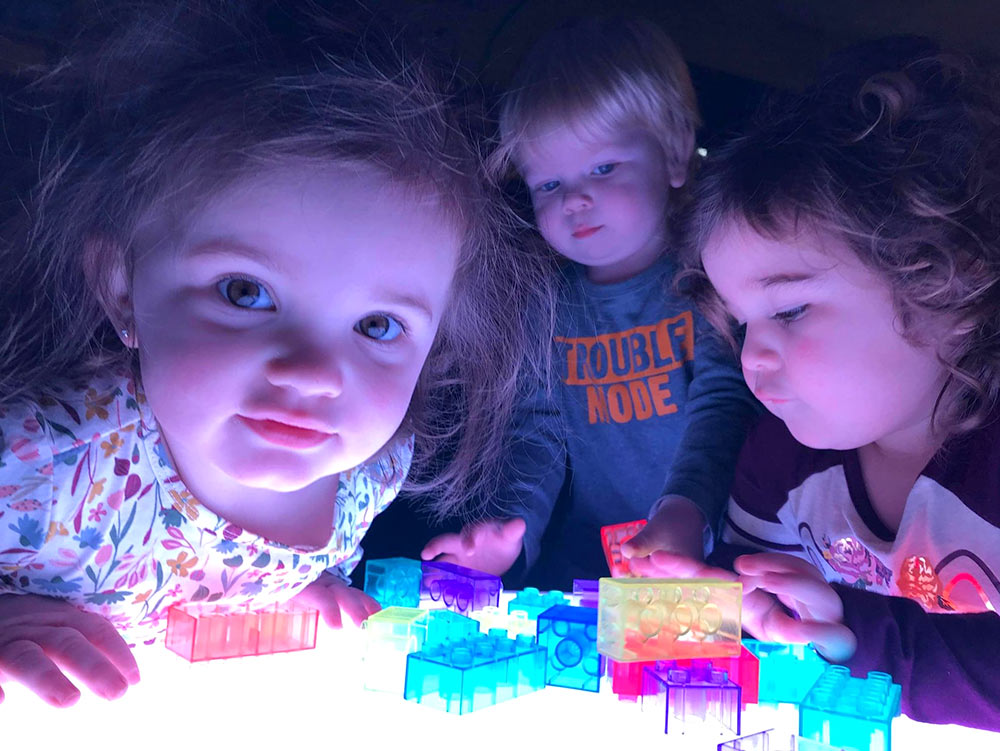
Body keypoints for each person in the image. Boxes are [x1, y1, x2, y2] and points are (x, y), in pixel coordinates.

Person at [0, 1, 549, 707]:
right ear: (121, 286)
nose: (316, 375)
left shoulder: (368, 471)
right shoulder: (45, 457)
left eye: (379, 326)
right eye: (245, 291)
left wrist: (301, 582)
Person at [640, 37, 1000, 729]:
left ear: (946, 284)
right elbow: (759, 600)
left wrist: (864, 638)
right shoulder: (779, 458)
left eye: (791, 308)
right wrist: (720, 600)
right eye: (741, 323)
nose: (752, 359)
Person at [421, 17, 759, 588]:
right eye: (548, 185)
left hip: (714, 566)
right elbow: (539, 432)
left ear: (676, 154)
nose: (575, 199)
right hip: (589, 566)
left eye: (603, 168)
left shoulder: (708, 277)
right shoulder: (545, 303)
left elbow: (724, 404)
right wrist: (513, 529)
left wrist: (684, 510)